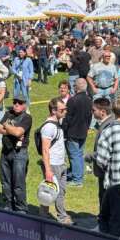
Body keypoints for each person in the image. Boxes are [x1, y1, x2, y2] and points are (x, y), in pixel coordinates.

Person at [36, 96, 72, 225]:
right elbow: (45, 150)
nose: (65, 112)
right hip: (52, 165)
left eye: (65, 109)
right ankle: (55, 217)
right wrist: (48, 170)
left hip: (61, 164)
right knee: (50, 192)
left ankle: (48, 216)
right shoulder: (49, 127)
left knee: (60, 191)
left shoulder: (58, 123)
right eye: (62, 110)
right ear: (53, 111)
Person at [0, 95, 32, 213]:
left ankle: (21, 209)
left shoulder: (27, 118)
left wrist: (7, 126)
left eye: (20, 102)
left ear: (24, 105)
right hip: (5, 152)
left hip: (19, 153)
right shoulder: (8, 113)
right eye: (15, 102)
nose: (16, 104)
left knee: (18, 183)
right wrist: (12, 130)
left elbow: (18, 133)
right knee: (5, 181)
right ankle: (8, 205)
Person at [63, 77, 92, 187]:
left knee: (74, 155)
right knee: (79, 154)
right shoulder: (89, 100)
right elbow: (90, 117)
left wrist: (64, 130)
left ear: (76, 87)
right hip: (83, 131)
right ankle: (78, 175)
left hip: (73, 131)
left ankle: (77, 180)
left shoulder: (72, 100)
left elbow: (68, 118)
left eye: (74, 85)